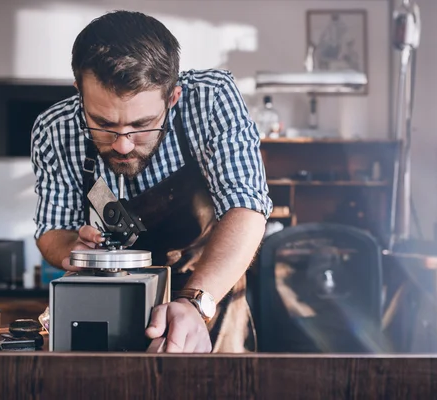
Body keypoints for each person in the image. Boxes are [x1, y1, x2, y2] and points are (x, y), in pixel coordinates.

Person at [31, 10, 272, 353]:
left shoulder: (210, 99)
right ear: (79, 93)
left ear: (172, 98)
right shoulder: (55, 130)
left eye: (141, 125)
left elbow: (246, 208)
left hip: (208, 292)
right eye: (103, 124)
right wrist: (75, 250)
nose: (122, 145)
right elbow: (52, 230)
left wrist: (195, 304)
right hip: (114, 300)